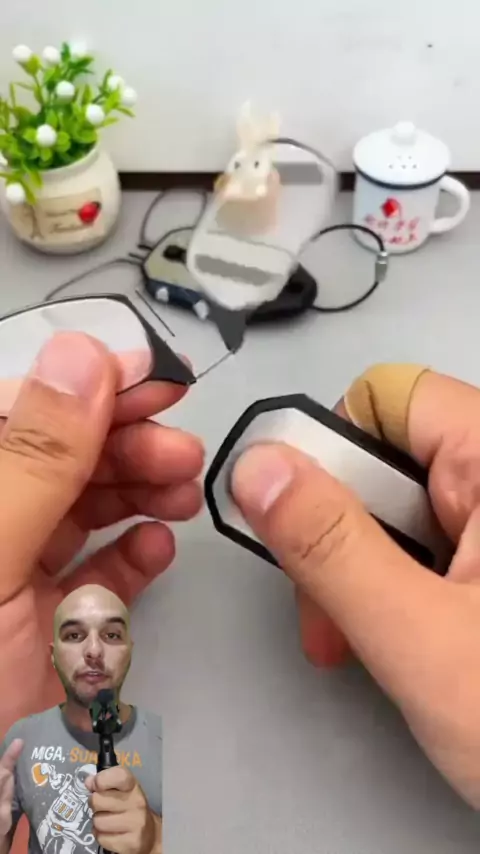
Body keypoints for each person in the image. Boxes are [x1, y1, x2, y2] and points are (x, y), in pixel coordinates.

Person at [1, 584, 162, 854]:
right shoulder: (21, 740)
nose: (94, 650)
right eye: (74, 635)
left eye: (111, 635)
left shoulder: (168, 738)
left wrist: (155, 839)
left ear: (130, 651)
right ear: (53, 656)